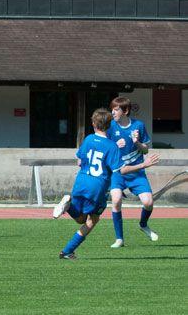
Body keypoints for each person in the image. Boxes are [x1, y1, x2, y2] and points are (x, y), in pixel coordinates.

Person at [52, 108, 159, 260]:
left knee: (81, 219)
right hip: (97, 188)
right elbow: (122, 170)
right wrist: (144, 164)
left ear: (93, 123)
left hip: (81, 182)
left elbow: (79, 161)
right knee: (92, 220)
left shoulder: (88, 139)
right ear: (109, 125)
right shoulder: (111, 146)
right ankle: (68, 247)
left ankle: (67, 251)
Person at [106, 96, 158, 248]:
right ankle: (119, 239)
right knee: (116, 200)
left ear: (125, 111)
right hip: (118, 173)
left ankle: (143, 224)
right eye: (112, 109)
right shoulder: (110, 126)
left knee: (148, 202)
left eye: (116, 109)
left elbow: (146, 150)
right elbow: (106, 149)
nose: (113, 112)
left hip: (137, 173)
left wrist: (137, 143)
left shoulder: (138, 125)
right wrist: (115, 145)